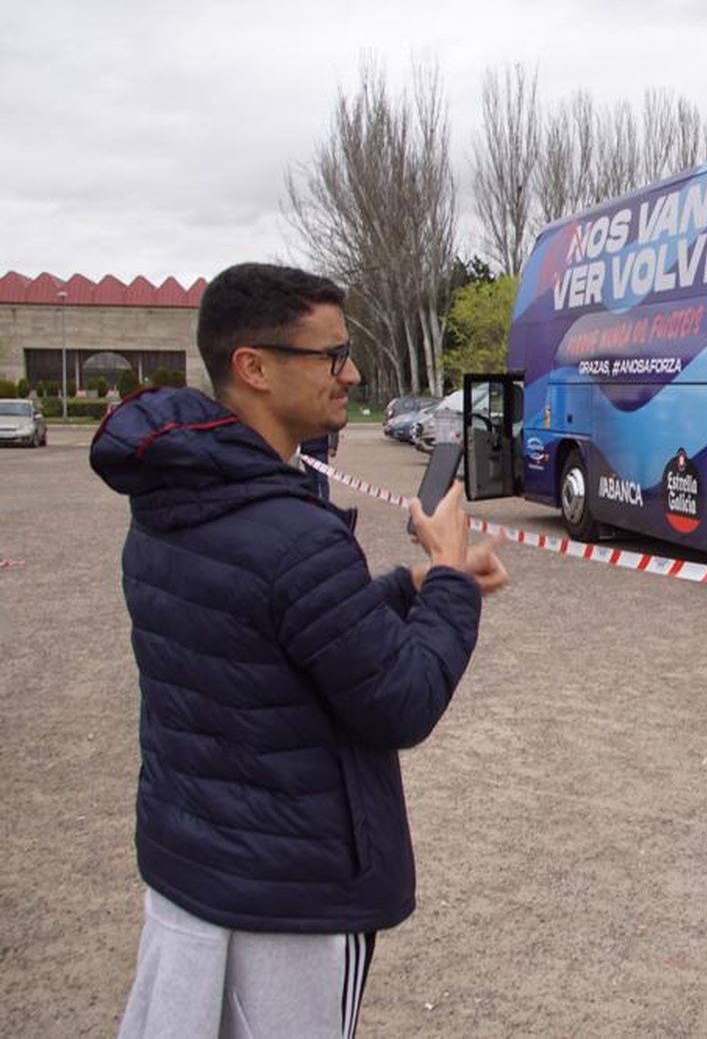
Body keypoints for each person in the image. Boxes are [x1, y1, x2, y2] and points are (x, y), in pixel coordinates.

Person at [90, 262, 508, 1037]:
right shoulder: (292, 532)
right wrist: (449, 574)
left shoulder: (175, 500)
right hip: (292, 896)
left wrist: (412, 584)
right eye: (330, 355)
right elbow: (401, 697)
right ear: (252, 366)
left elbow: (279, 636)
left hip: (199, 867)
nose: (350, 372)